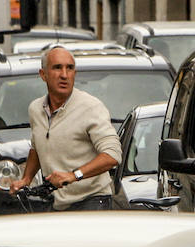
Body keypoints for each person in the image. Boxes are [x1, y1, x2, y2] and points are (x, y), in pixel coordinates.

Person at [9, 45, 122, 210]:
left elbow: (113, 155)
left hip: (92, 201)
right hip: (57, 204)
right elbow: (37, 147)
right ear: (43, 74)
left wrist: (74, 175)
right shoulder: (35, 109)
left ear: (75, 73)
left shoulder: (91, 107)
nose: (64, 75)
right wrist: (26, 179)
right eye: (57, 68)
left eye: (70, 68)